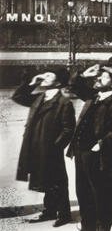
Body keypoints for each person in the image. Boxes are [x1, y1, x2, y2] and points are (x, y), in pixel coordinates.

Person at [13, 68, 75, 227]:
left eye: (49, 75)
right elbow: (18, 96)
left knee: (58, 181)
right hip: (34, 146)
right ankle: (49, 211)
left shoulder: (64, 102)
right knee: (46, 179)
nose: (45, 76)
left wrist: (55, 148)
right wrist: (31, 83)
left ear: (59, 82)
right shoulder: (40, 97)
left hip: (50, 149)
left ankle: (64, 214)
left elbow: (68, 129)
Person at [68, 66, 112, 231]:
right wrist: (84, 74)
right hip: (81, 152)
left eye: (104, 76)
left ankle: (104, 227)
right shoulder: (94, 96)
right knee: (83, 192)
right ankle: (88, 226)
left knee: (101, 194)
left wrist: (100, 145)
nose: (98, 78)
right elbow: (74, 86)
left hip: (99, 155)